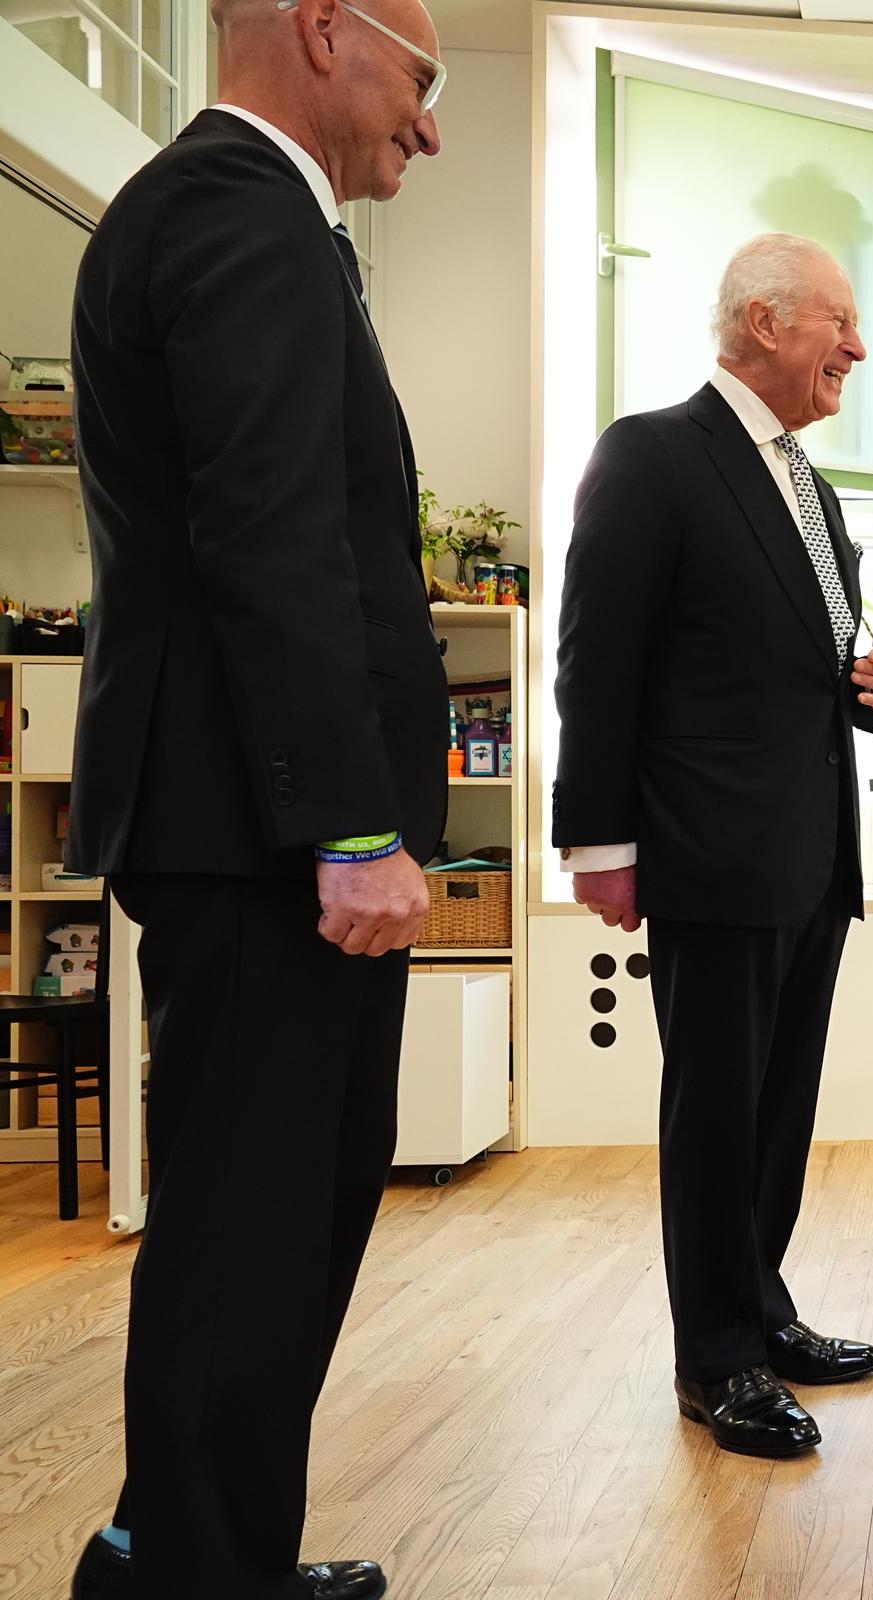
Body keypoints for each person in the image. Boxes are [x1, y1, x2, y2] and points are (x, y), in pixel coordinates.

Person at [63, 1, 449, 1594]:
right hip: (265, 840)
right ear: (321, 30)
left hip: (248, 824)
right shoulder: (238, 212)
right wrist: (349, 830)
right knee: (248, 1228)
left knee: (284, 1220)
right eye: (421, 80)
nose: (427, 127)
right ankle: (176, 1570)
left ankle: (214, 1552)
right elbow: (273, 541)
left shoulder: (233, 215)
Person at [553, 233, 873, 1460]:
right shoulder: (653, 455)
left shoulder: (805, 485)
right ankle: (713, 1359)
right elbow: (595, 661)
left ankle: (760, 1311)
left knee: (776, 1103)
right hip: (708, 852)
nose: (857, 350)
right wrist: (598, 841)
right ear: (765, 323)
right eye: (840, 324)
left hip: (811, 852)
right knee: (713, 1109)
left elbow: (810, 671)